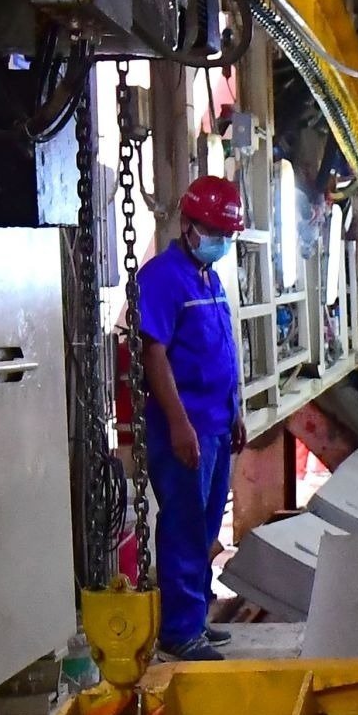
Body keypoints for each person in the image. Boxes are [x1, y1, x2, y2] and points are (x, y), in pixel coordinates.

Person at [131, 175, 248, 662]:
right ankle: (179, 631)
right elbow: (153, 354)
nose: (219, 241)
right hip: (185, 429)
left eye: (226, 233)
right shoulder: (160, 278)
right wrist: (180, 425)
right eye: (212, 230)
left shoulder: (209, 278)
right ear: (187, 224)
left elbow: (221, 346)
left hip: (217, 424)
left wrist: (235, 409)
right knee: (182, 524)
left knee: (204, 527)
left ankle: (196, 617)